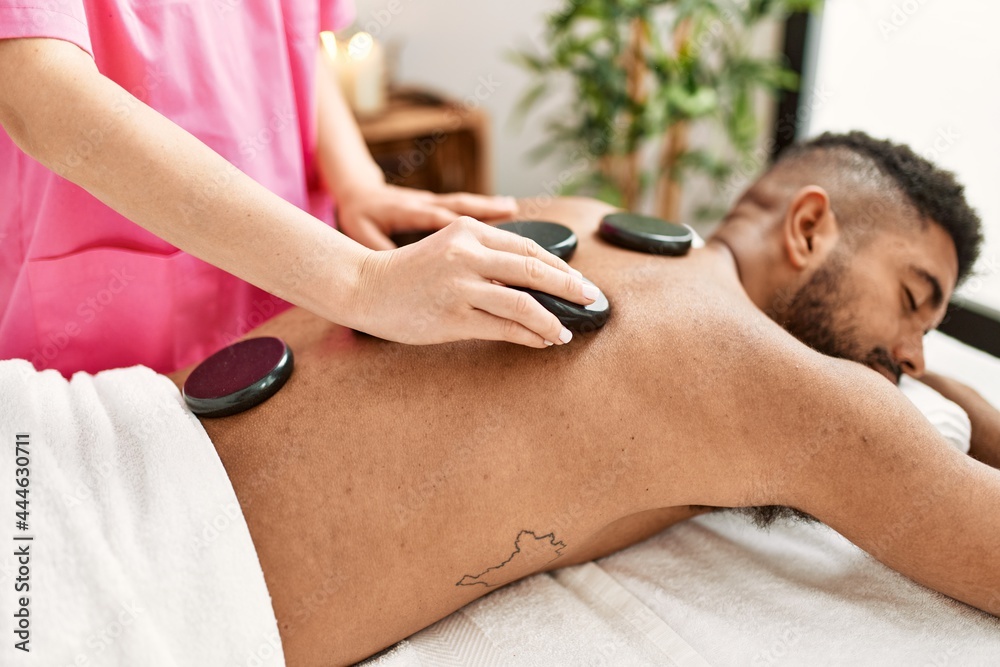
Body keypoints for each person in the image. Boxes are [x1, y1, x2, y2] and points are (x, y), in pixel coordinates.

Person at [161, 132, 998, 664]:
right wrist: (966, 400)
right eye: (913, 299)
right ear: (809, 229)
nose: (913, 354)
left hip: (80, 422)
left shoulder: (574, 217)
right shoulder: (774, 380)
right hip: (131, 580)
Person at [0, 1, 594, 377]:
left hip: (288, 298)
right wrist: (358, 283)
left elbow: (296, 36)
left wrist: (358, 181)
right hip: (101, 343)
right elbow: (41, 95)